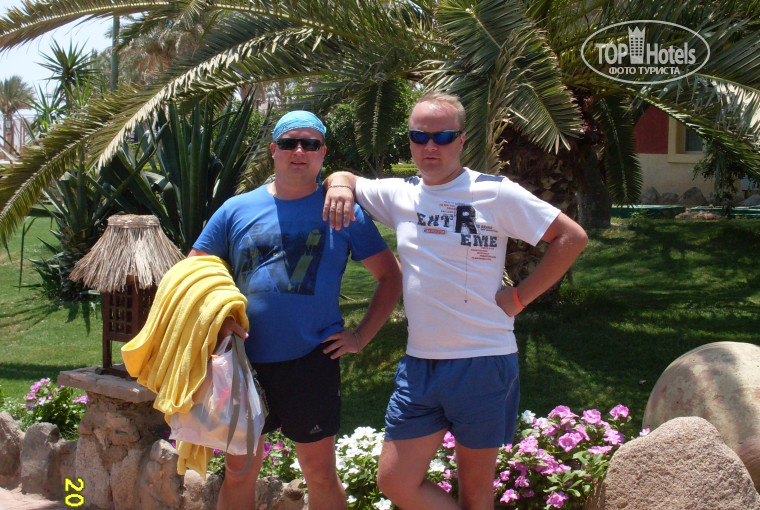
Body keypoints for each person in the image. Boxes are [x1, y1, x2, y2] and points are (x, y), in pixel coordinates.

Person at [323, 92, 588, 510]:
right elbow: (346, 178)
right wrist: (339, 184)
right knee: (395, 481)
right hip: (420, 365)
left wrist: (519, 297)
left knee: (476, 493)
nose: (430, 146)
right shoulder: (400, 194)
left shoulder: (494, 193)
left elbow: (571, 237)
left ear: (462, 140)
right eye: (419, 136)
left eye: (443, 136)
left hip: (483, 360)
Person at [189, 110, 402, 510]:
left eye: (310, 144)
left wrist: (360, 337)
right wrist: (219, 320)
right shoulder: (235, 209)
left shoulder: (343, 210)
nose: (299, 151)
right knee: (239, 471)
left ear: (323, 152)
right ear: (274, 150)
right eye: (289, 143)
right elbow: (193, 270)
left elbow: (390, 277)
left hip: (312, 360)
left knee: (319, 472)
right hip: (244, 361)